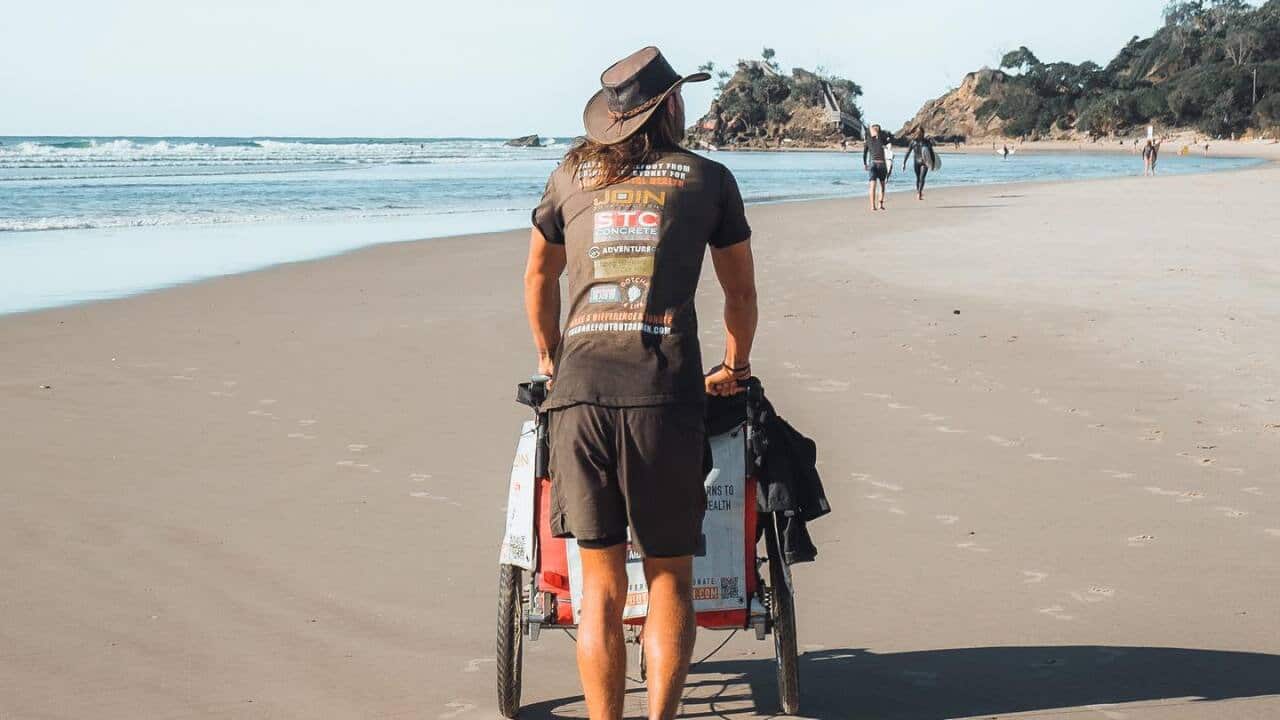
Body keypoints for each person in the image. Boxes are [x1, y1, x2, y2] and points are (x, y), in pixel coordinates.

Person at [524, 46, 758, 720]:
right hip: (664, 394)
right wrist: (734, 368)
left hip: (581, 395)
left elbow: (540, 274)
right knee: (668, 576)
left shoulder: (570, 174)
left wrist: (549, 356)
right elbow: (738, 293)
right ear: (672, 107)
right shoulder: (707, 179)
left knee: (596, 587)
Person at [903, 128, 936, 200]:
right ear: (916, 133)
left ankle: (919, 193)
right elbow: (908, 152)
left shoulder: (926, 142)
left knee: (921, 178)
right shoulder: (913, 142)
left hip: (924, 162)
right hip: (917, 162)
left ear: (923, 133)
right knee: (919, 178)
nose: (919, 134)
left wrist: (933, 163)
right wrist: (904, 162)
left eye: (921, 133)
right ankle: (919, 192)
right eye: (918, 133)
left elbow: (931, 153)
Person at [863, 123, 889, 211]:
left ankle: (873, 206)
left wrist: (865, 164)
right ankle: (880, 204)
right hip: (881, 164)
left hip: (873, 164)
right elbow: (888, 142)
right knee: (881, 185)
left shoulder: (868, 141)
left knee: (873, 186)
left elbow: (864, 154)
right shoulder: (882, 139)